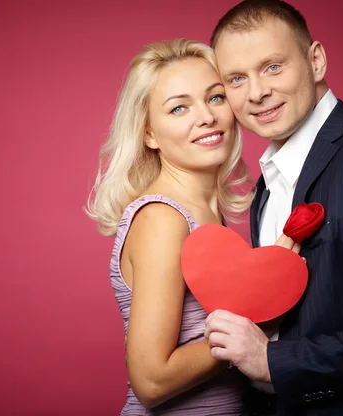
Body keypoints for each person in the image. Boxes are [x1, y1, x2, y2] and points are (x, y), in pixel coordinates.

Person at [203, 1, 343, 415]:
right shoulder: (266, 186)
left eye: (272, 67)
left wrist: (275, 363)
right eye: (237, 78)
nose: (256, 92)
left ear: (316, 60)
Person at [86, 37, 301, 415]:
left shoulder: (207, 214)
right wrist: (262, 311)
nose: (206, 116)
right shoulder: (163, 219)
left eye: (216, 97)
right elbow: (151, 382)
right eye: (179, 108)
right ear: (148, 133)